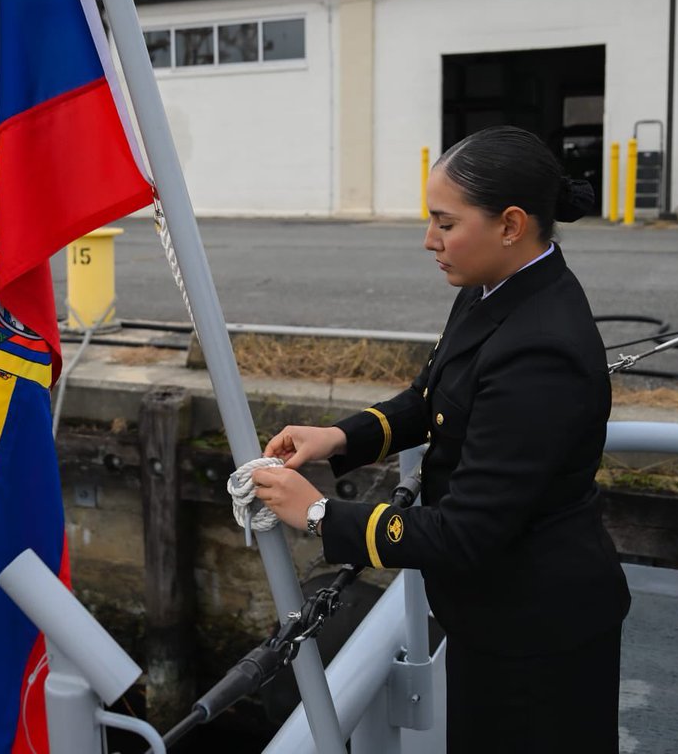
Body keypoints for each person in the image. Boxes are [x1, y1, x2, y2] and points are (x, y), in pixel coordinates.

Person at [252, 126, 631, 753]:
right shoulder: (493, 289)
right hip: (496, 614)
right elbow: (431, 402)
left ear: (510, 224)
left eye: (445, 223)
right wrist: (336, 438)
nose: (430, 241)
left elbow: (467, 532)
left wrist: (319, 513)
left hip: (540, 634)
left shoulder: (542, 348)